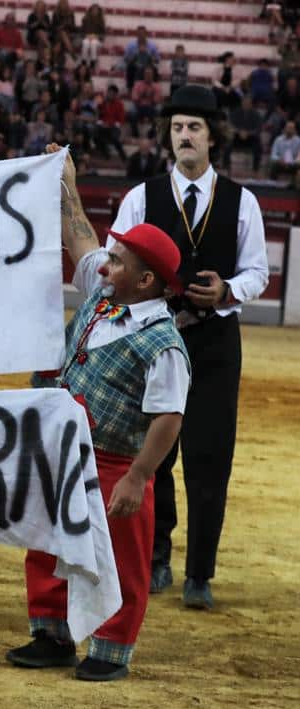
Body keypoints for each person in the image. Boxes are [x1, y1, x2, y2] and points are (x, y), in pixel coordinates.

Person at [6, 146, 190, 682]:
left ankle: (111, 649)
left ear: (146, 281)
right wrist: (66, 182)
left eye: (118, 262)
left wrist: (138, 476)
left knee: (121, 556)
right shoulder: (109, 292)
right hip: (65, 447)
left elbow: (168, 418)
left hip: (115, 461)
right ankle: (52, 634)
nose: (103, 266)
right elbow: (80, 235)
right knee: (47, 536)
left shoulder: (163, 343)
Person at [108, 84, 269, 607]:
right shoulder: (142, 196)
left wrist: (227, 291)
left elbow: (258, 272)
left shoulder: (242, 201)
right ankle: (156, 557)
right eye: (177, 128)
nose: (184, 137)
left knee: (210, 456)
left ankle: (200, 571)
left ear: (213, 138)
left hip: (216, 340)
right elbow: (116, 260)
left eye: (194, 128)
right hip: (154, 340)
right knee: (154, 451)